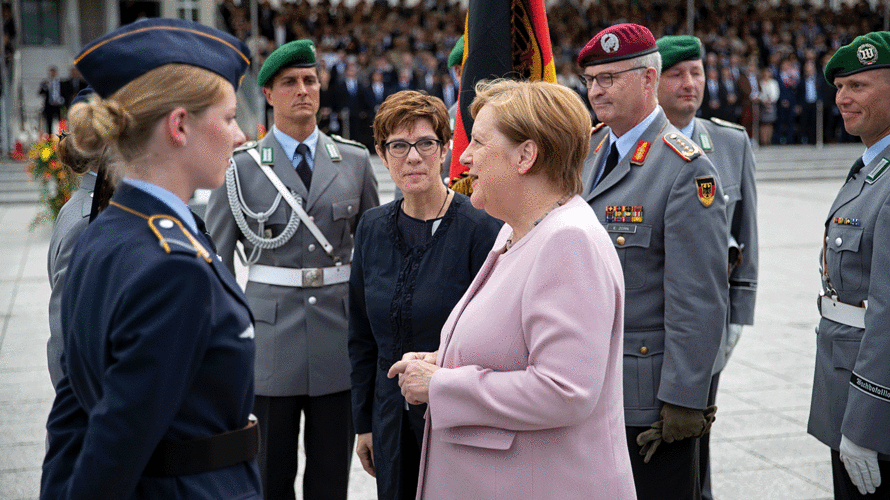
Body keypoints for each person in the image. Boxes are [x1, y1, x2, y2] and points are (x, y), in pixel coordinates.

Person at [40, 18, 261, 499]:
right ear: (179, 125)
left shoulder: (104, 233)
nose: (241, 135)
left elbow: (71, 420)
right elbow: (113, 444)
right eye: (227, 118)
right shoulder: (172, 268)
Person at [388, 79, 636, 499]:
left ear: (526, 155)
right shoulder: (517, 230)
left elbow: (565, 390)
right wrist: (441, 360)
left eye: (479, 142)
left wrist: (441, 385)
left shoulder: (567, 241)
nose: (464, 157)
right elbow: (513, 348)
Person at [205, 39, 379, 500]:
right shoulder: (238, 169)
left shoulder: (355, 162)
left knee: (330, 481)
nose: (303, 90)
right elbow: (217, 268)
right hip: (269, 346)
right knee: (268, 478)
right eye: (289, 83)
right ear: (267, 94)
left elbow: (370, 261)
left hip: (336, 343)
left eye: (309, 80)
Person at [577, 24, 726, 499]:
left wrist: (685, 399)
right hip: (588, 382)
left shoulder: (685, 168)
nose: (596, 90)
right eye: (591, 80)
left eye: (609, 78)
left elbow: (698, 297)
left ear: (647, 79)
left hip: (648, 400)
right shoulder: (592, 149)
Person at [348, 90, 501, 499]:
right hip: (389, 424)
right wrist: (364, 423)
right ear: (381, 154)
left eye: (425, 144)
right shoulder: (371, 227)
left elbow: (493, 338)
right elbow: (361, 334)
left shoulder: (480, 229)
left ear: (446, 148)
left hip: (457, 421)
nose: (412, 157)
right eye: (398, 146)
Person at [656, 35, 760, 500]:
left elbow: (747, 233)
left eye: (696, 72)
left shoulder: (730, 143)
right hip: (646, 316)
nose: (689, 83)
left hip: (707, 317)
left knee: (698, 432)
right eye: (676, 74)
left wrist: (739, 313)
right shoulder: (623, 144)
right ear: (650, 81)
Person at [810, 31, 890, 499]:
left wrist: (865, 422)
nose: (842, 97)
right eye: (839, 86)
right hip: (847, 381)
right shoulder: (871, 165)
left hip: (873, 406)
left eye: (858, 85)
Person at [38, 66, 65, 134]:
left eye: (53, 73)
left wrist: (60, 101)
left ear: (56, 73)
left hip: (59, 105)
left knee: (61, 122)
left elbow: (65, 93)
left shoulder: (61, 82)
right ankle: (50, 137)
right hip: (49, 105)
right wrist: (46, 86)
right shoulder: (45, 82)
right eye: (50, 73)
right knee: (49, 123)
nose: (52, 74)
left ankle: (62, 136)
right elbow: (40, 93)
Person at [758, 67, 779, 146]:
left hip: (771, 104)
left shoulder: (774, 83)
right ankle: (763, 140)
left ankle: (768, 140)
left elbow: (776, 94)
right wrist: (764, 101)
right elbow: (759, 93)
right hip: (763, 105)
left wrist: (770, 101)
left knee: (770, 123)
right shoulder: (760, 82)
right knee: (763, 123)